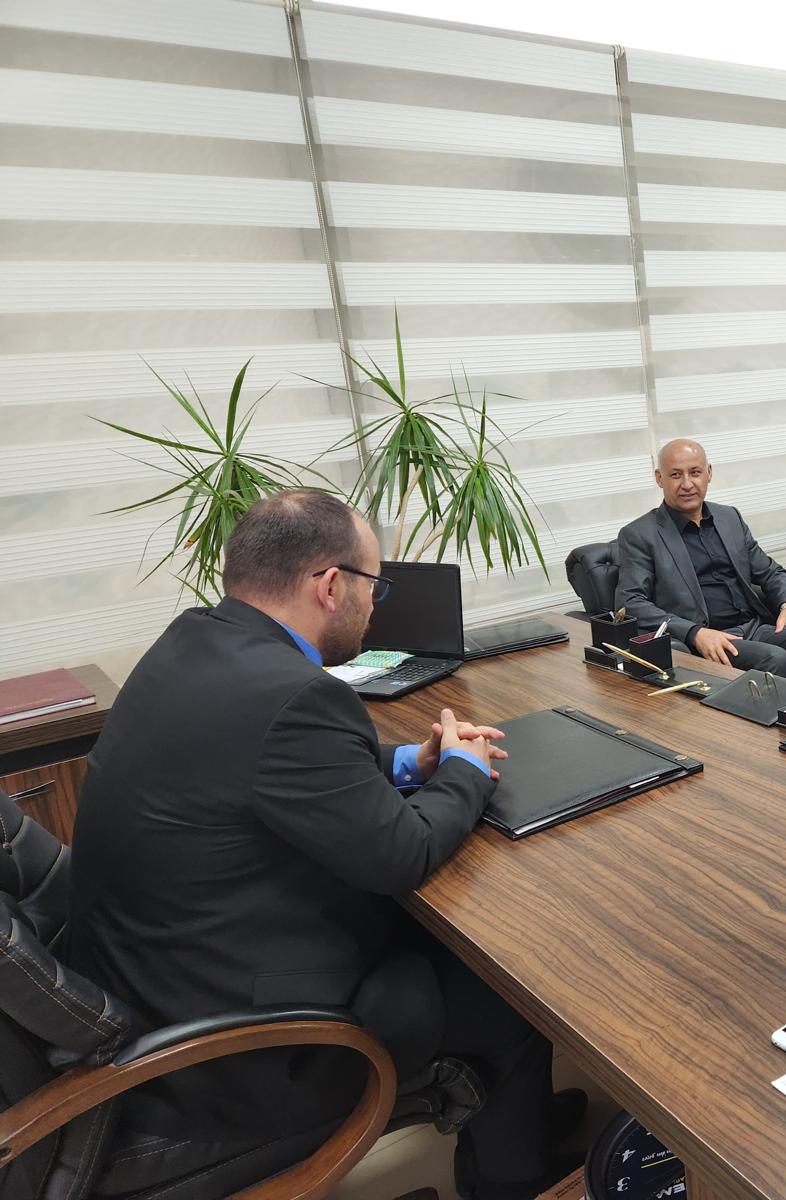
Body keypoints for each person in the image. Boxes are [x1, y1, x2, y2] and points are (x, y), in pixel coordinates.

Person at [66, 490, 577, 1199]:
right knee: (506, 993)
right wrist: (464, 770)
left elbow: (270, 765)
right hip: (238, 1048)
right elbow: (402, 853)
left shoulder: (195, 641)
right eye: (375, 586)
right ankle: (512, 1179)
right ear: (332, 585)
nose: (375, 607)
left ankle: (515, 1126)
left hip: (155, 981)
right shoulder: (298, 696)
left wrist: (414, 762)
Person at [617, 438, 786, 697]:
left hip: (753, 627)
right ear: (659, 478)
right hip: (706, 638)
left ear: (708, 473)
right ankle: (779, 725)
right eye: (675, 475)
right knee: (774, 659)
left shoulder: (729, 517)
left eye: (695, 472)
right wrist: (694, 633)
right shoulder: (640, 535)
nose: (687, 484)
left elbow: (770, 571)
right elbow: (630, 602)